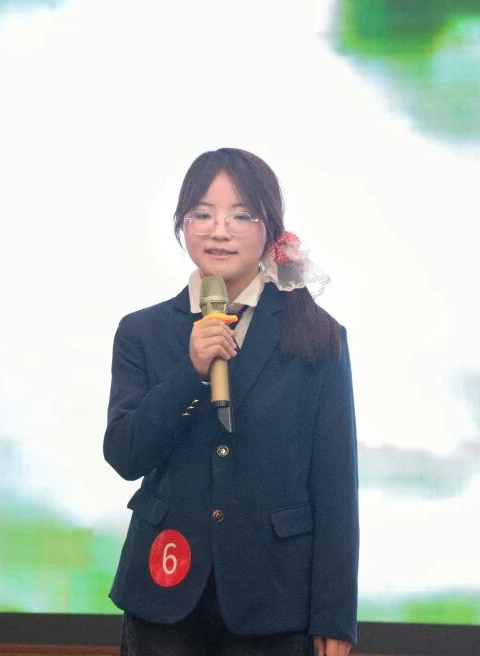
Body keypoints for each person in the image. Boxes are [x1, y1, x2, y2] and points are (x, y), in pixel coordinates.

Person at [103, 148, 358, 656]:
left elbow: (334, 482)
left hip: (275, 597)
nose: (220, 231)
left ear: (270, 229)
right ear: (182, 225)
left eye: (241, 215)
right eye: (202, 214)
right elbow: (125, 454)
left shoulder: (317, 335)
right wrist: (189, 373)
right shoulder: (142, 331)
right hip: (165, 591)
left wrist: (334, 613)